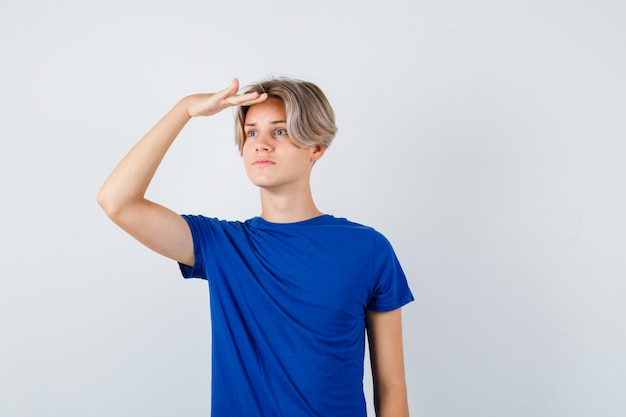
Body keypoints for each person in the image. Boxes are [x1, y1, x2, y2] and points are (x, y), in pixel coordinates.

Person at [97, 77, 414, 416]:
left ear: (316, 147)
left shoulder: (368, 249)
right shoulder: (220, 246)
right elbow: (117, 201)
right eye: (251, 132)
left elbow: (391, 384)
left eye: (279, 131)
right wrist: (185, 109)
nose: (261, 144)